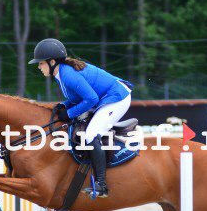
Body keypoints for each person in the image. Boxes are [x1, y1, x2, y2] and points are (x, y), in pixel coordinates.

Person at [29, 38, 132, 198]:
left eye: (41, 63)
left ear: (52, 62)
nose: (39, 66)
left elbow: (91, 99)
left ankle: (101, 185)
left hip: (117, 98)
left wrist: (69, 113)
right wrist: (63, 105)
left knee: (90, 134)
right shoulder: (61, 74)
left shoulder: (67, 75)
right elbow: (78, 98)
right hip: (106, 97)